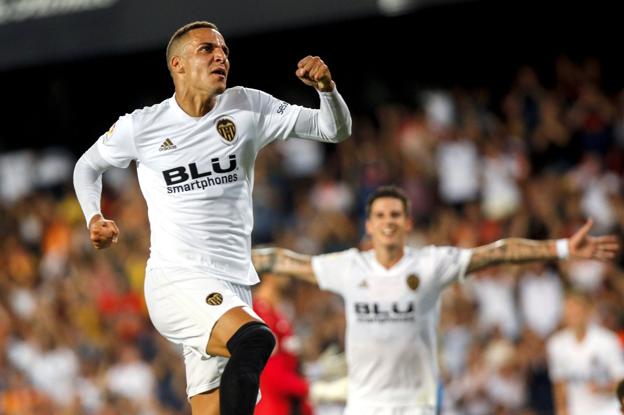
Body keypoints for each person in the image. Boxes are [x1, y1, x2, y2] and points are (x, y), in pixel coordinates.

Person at [73, 20, 351, 415]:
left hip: (234, 284)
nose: (221, 56)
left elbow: (333, 130)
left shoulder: (248, 106)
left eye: (224, 51)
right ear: (178, 64)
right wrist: (94, 217)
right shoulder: (143, 125)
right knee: (255, 339)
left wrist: (328, 91)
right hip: (177, 277)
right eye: (207, 49)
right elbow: (87, 167)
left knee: (215, 406)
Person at [252, 185, 620, 415]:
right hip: (364, 404)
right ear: (368, 225)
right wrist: (218, 254)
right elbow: (281, 261)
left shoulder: (432, 263)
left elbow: (498, 253)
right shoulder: (348, 267)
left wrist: (561, 248)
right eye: (379, 215)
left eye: (395, 214)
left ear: (408, 222)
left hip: (417, 404)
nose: (388, 221)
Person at [546, 292, 624, 415]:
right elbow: (559, 383)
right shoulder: (556, 344)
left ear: (588, 310)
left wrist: (602, 389)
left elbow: (621, 382)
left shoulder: (608, 340)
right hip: (576, 410)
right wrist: (561, 410)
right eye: (569, 310)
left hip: (608, 409)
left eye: (577, 309)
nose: (572, 314)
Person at [253, 273, 312, 415]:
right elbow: (269, 372)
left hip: (286, 403)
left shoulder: (274, 313)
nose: (287, 271)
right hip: (269, 407)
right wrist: (308, 387)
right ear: (268, 275)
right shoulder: (259, 315)